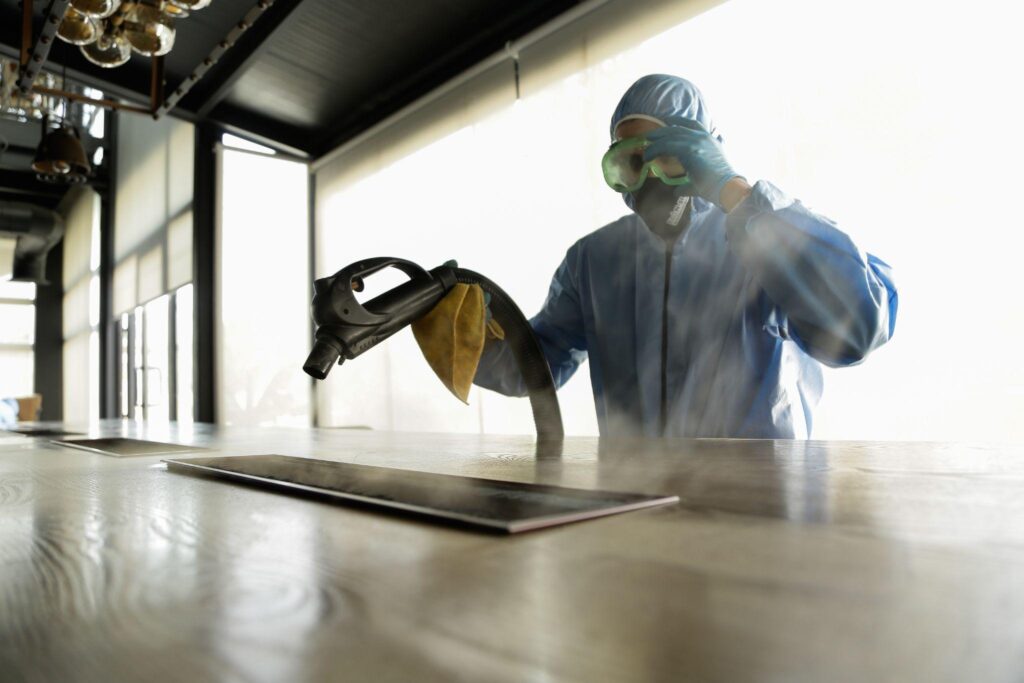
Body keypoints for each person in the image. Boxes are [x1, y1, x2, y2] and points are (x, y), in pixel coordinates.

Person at [473, 74, 898, 438]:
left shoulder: (766, 234)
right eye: (631, 162)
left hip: (762, 512)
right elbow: (533, 363)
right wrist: (468, 333)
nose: (649, 179)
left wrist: (737, 193)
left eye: (668, 157)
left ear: (707, 155)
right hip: (637, 508)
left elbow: (857, 327)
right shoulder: (594, 262)